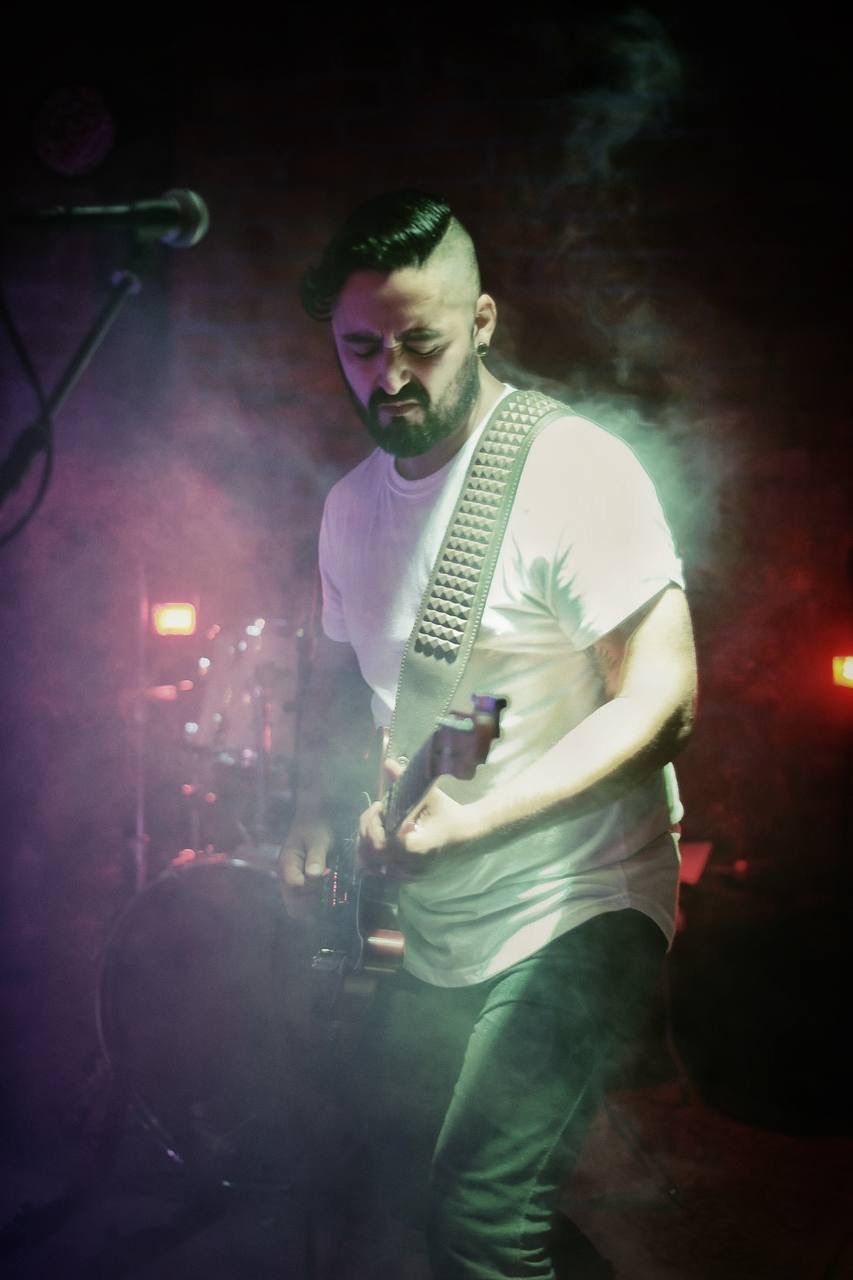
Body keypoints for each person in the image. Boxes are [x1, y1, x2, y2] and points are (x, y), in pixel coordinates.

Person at [279, 190, 697, 1280]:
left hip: (582, 900)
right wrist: (314, 810)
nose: (390, 376)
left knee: (480, 1215)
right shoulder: (346, 508)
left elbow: (663, 697)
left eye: (420, 342)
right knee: (416, 1190)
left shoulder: (571, 470)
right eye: (360, 348)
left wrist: (485, 820)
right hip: (444, 915)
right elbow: (363, 686)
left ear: (482, 321)